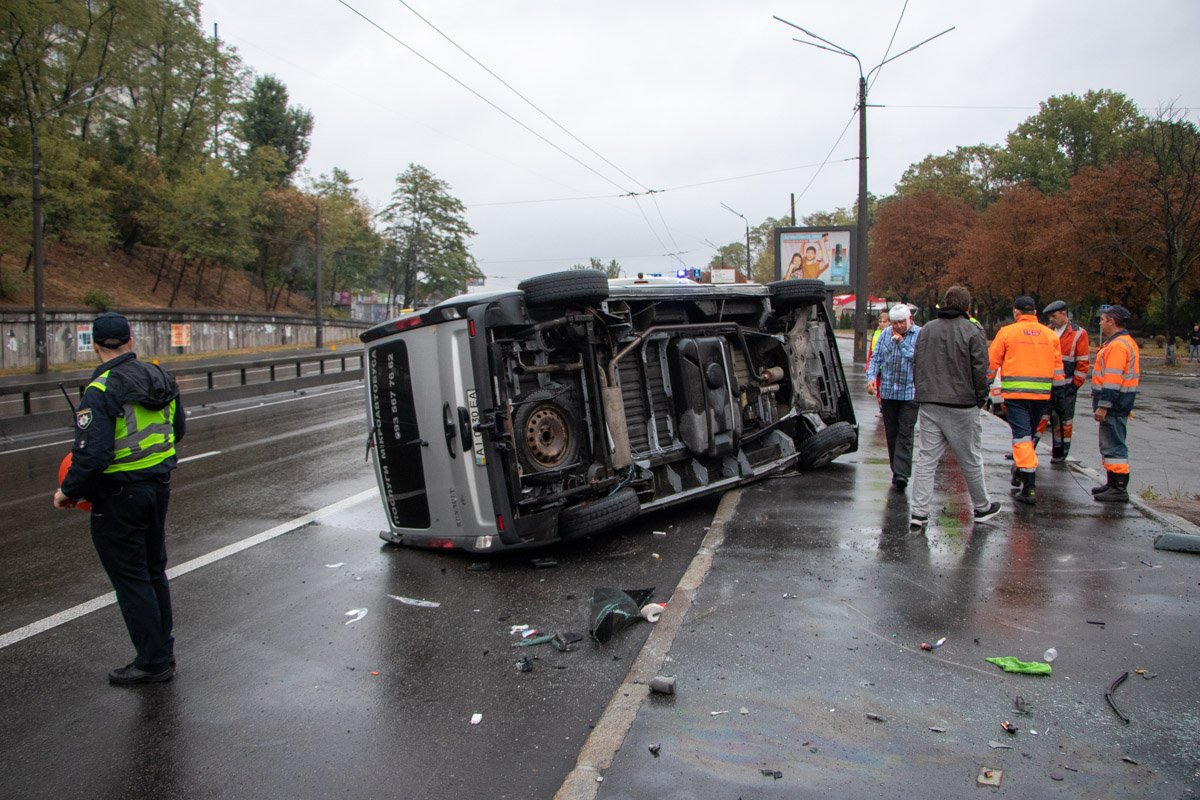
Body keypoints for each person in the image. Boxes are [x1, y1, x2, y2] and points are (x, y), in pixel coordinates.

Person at [53, 312, 185, 685]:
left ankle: (152, 661)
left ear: (95, 345)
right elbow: (178, 430)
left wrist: (68, 492)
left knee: (131, 580)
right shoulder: (162, 377)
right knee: (153, 572)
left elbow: (91, 457)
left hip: (118, 497)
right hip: (158, 488)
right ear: (131, 339)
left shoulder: (101, 389)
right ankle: (163, 651)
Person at [909, 285, 1000, 529]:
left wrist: (922, 391)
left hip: (930, 402)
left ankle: (918, 513)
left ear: (945, 303)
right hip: (962, 404)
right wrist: (981, 398)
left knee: (927, 459)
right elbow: (980, 368)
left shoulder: (927, 329)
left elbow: (917, 362)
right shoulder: (972, 330)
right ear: (967, 307)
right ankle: (982, 507)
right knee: (970, 458)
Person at [988, 296, 1065, 505]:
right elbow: (1058, 370)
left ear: (1016, 313)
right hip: (1041, 396)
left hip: (1016, 396)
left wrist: (982, 386)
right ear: (1035, 313)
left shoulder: (1007, 333)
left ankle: (1029, 486)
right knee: (1028, 438)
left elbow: (991, 364)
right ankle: (1020, 471)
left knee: (1021, 438)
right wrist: (1059, 396)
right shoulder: (1050, 336)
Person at [866, 305, 920, 490]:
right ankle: (896, 469)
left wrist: (901, 343)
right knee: (892, 433)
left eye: (901, 322)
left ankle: (901, 474)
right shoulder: (884, 335)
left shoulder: (918, 334)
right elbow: (876, 358)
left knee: (905, 433)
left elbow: (917, 358)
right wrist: (871, 378)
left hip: (909, 393)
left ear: (909, 319)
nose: (897, 326)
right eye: (895, 323)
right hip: (889, 392)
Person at [1091, 305, 1140, 502]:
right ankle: (1112, 483)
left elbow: (1112, 380)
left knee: (1114, 446)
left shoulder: (1118, 346)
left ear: (1112, 321)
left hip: (1115, 404)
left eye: (1103, 320)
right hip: (1118, 403)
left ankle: (1118, 488)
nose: (1101, 323)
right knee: (1109, 445)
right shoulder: (1120, 343)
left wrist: (1104, 405)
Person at [1036, 300, 1090, 463]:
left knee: (1063, 421)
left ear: (1064, 314)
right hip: (1047, 385)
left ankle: (1060, 453)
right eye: (1050, 317)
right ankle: (1028, 448)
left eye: (1054, 316)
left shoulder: (1078, 334)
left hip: (1066, 386)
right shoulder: (1047, 331)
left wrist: (1074, 385)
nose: (1052, 320)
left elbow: (1083, 362)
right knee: (1040, 418)